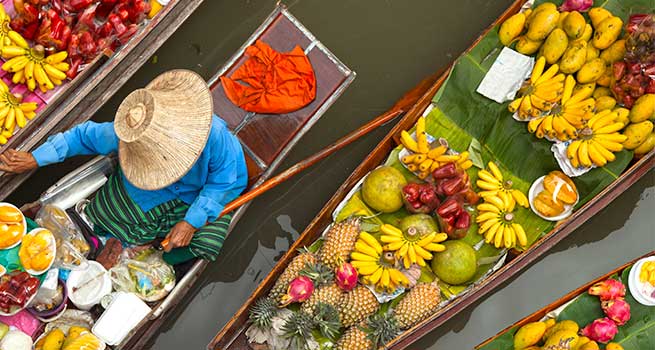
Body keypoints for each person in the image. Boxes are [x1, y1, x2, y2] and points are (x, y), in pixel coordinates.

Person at [0, 70, 248, 265]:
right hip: (151, 179)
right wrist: (36, 158)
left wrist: (191, 222)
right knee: (108, 213)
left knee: (203, 243)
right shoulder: (132, 134)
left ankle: (158, 253)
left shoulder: (214, 137)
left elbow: (221, 183)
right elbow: (81, 137)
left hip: (204, 190)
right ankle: (118, 239)